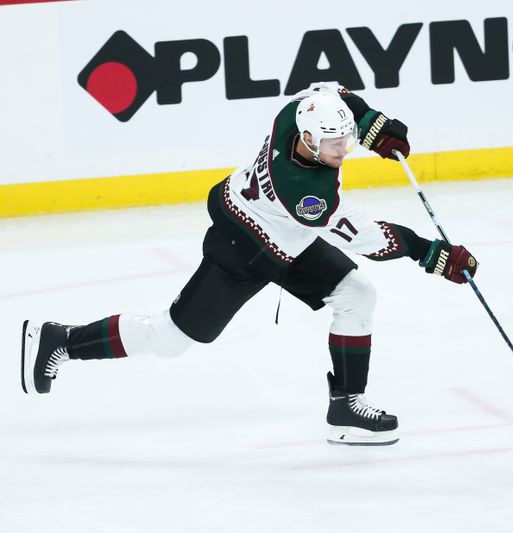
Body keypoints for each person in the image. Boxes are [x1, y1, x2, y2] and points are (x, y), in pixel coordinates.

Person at [21, 82, 478, 447]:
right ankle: (61, 339)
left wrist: (372, 124)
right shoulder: (308, 193)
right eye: (334, 143)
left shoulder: (296, 114)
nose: (344, 149)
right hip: (245, 247)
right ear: (308, 140)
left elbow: (331, 92)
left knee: (357, 294)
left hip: (284, 236)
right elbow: (368, 238)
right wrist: (429, 252)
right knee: (171, 338)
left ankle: (346, 405)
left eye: (347, 139)